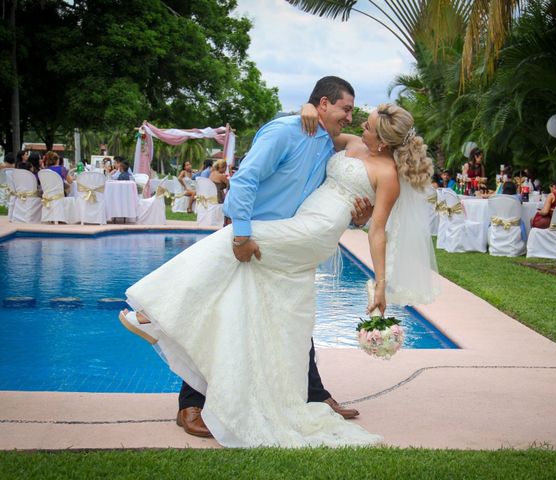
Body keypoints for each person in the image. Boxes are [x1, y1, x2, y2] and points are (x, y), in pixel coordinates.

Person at [118, 78, 437, 447]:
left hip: (312, 231)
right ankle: (251, 395)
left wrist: (379, 281)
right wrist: (303, 111)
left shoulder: (384, 172)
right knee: (270, 311)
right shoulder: (329, 139)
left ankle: (156, 311)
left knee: (242, 265)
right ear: (322, 104)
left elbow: (376, 229)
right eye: (348, 112)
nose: (353, 121)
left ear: (381, 139)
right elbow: (275, 162)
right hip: (274, 220)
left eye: (361, 121)